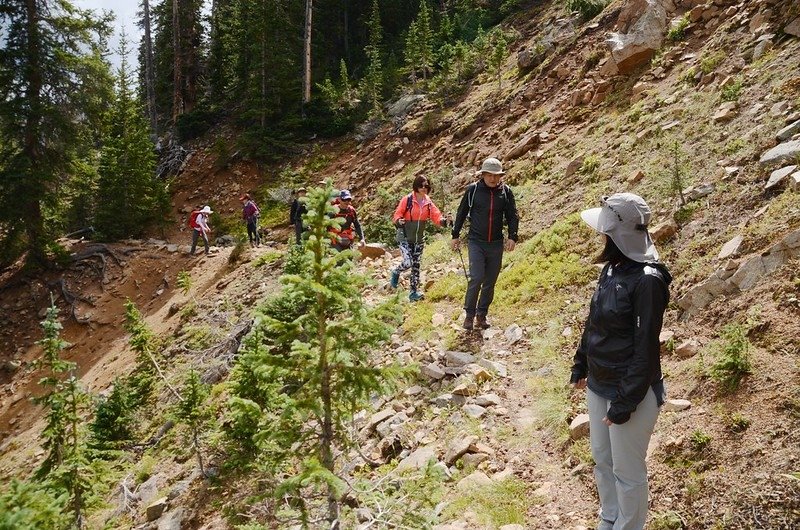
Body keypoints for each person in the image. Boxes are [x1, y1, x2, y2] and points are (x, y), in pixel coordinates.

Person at [570, 193, 672, 530]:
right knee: (603, 461)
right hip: (601, 385)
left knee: (627, 472)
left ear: (616, 234)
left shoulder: (647, 280)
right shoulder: (613, 269)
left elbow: (645, 350)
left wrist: (624, 402)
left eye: (604, 230)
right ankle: (609, 519)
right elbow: (594, 319)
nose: (600, 235)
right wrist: (581, 363)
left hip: (632, 393)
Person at [450, 157, 519, 330]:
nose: (493, 179)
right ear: (483, 175)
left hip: (496, 244)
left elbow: (512, 215)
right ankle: (469, 315)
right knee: (477, 277)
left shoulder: (506, 192)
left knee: (490, 281)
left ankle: (482, 315)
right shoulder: (473, 190)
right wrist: (455, 234)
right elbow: (461, 212)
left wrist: (513, 236)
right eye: (489, 175)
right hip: (476, 242)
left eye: (497, 176)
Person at [389, 175, 448, 302]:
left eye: (426, 186)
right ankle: (396, 272)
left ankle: (413, 292)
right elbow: (397, 214)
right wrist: (399, 221)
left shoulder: (428, 202)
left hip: (418, 239)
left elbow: (436, 216)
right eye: (421, 185)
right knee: (408, 262)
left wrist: (444, 222)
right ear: (416, 186)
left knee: (416, 266)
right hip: (404, 237)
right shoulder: (408, 199)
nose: (423, 188)